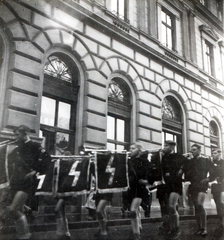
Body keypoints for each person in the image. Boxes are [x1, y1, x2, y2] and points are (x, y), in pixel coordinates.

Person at [7, 125, 51, 240]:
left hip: (27, 183)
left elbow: (47, 160)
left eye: (17, 135)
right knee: (18, 209)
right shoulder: (17, 149)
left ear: (25, 133)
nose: (15, 137)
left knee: (13, 209)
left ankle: (24, 236)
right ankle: (22, 234)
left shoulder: (35, 146)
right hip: (16, 182)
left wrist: (35, 172)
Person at [151, 140, 187, 240]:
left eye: (166, 146)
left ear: (172, 147)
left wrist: (182, 170)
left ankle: (177, 228)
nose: (164, 147)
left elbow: (187, 164)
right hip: (163, 185)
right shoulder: (161, 157)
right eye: (164, 145)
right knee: (164, 207)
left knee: (171, 206)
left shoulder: (178, 156)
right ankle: (168, 227)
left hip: (175, 184)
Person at [184, 144, 214, 237]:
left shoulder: (206, 160)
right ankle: (199, 228)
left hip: (202, 185)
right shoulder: (190, 161)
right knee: (196, 206)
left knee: (200, 204)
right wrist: (186, 160)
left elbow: (214, 171)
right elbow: (186, 172)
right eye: (191, 150)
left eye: (194, 150)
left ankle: (204, 228)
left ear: (199, 150)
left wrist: (207, 179)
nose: (192, 151)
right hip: (193, 185)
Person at [127, 142, 153, 240]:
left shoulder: (145, 161)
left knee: (133, 210)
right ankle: (138, 225)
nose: (130, 150)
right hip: (130, 188)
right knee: (135, 209)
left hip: (140, 188)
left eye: (133, 148)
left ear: (139, 150)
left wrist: (147, 181)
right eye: (130, 148)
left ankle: (136, 234)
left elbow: (153, 172)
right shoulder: (127, 161)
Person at [55, 151, 73, 240]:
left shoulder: (70, 167)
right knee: (62, 211)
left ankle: (60, 232)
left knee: (57, 209)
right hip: (60, 191)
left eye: (66, 157)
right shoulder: (61, 167)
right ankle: (66, 232)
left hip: (66, 192)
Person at [210, 149, 224, 234]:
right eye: (212, 153)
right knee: (218, 204)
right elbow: (211, 175)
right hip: (215, 186)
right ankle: (221, 223)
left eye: (215, 153)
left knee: (222, 203)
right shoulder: (211, 163)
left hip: (223, 185)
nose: (213, 155)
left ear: (219, 154)